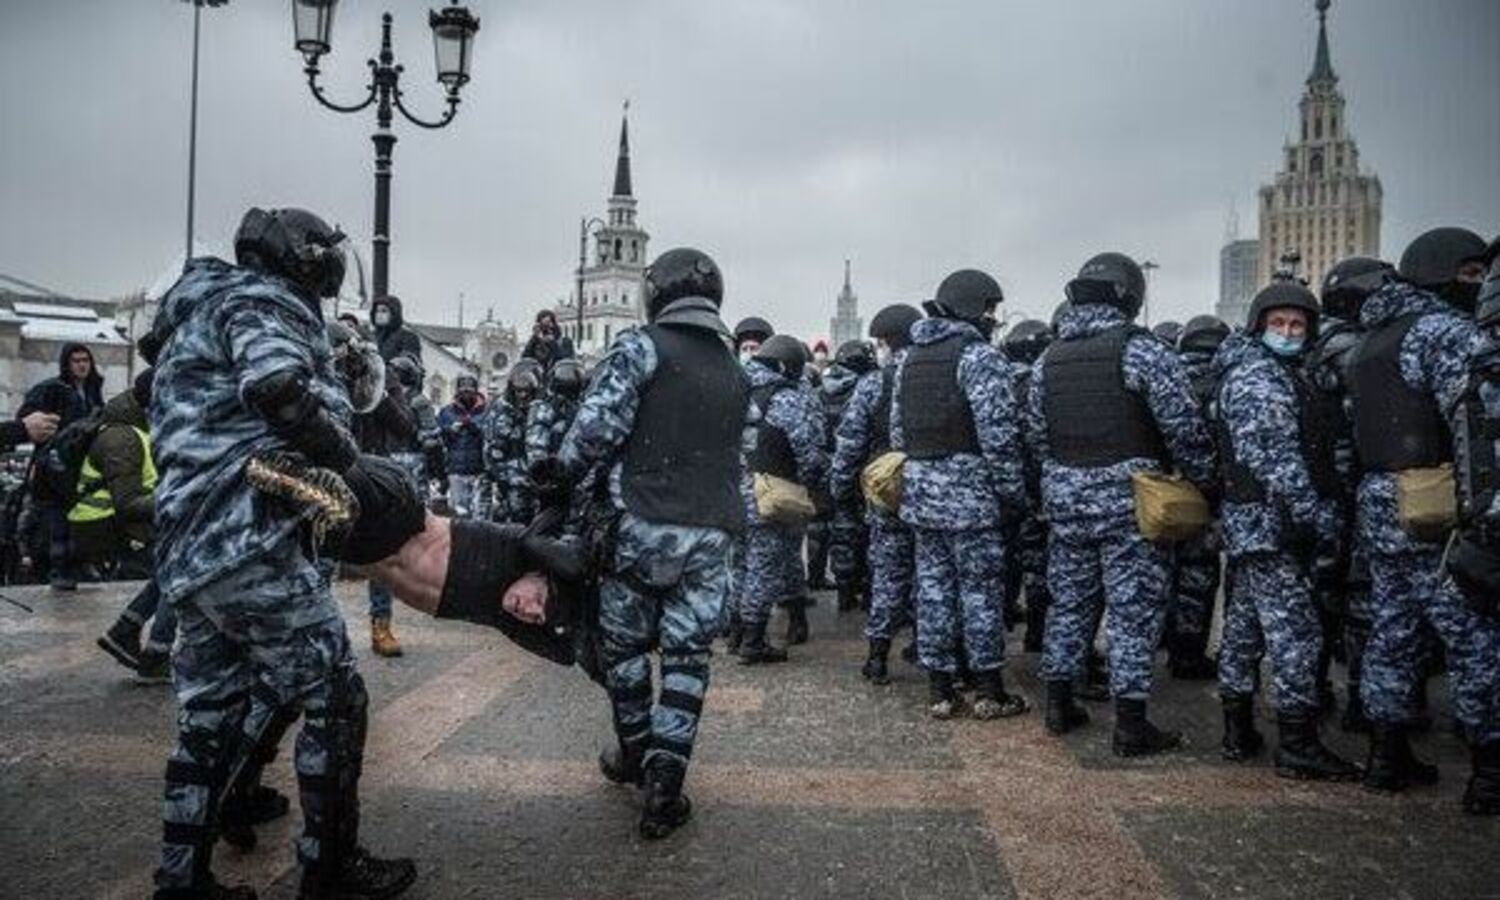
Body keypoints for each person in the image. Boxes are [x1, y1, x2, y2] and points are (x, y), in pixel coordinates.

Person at [144, 206, 413, 898]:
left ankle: (182, 880)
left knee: (207, 718)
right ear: (304, 256)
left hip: (190, 550)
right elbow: (274, 386)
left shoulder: (194, 316)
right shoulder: (262, 301)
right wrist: (347, 461)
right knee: (334, 695)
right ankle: (328, 869)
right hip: (252, 539)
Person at [539, 247, 750, 839]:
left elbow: (596, 430)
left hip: (641, 525)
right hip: (712, 531)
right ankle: (666, 786)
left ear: (656, 293)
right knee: (688, 659)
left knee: (626, 651)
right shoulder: (737, 368)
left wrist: (559, 475)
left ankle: (634, 755)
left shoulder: (641, 346)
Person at [1026, 252, 1217, 754]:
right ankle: (1131, 725)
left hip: (1066, 500)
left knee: (1070, 604)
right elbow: (1183, 427)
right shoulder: (1143, 351)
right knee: (1132, 612)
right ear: (1130, 296)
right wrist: (1201, 484)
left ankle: (1058, 705)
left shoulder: (1049, 359)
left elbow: (1038, 435)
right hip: (1131, 501)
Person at [1348, 226, 1491, 794]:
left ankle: (1387, 754)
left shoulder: (1372, 338)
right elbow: (1476, 420)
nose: (1480, 287)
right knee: (1473, 635)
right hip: (1438, 505)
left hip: (1383, 505)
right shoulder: (1443, 333)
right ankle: (1491, 774)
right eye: (1472, 275)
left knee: (1393, 630)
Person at [1212, 281, 1361, 779]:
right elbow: (1276, 459)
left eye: (1297, 325)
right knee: (1297, 635)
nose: (1289, 332)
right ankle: (1297, 744)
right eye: (1278, 323)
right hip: (1274, 523)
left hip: (1256, 523)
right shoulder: (1260, 378)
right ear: (1260, 326)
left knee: (1244, 627)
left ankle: (1238, 730)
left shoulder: (1269, 371)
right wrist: (1313, 515)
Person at [890, 269, 1028, 720]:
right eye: (990, 310)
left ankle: (940, 690)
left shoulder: (909, 359)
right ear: (972, 307)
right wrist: (1011, 494)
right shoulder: (979, 356)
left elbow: (897, 431)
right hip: (970, 497)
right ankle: (988, 689)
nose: (993, 319)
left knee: (932, 590)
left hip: (922, 494)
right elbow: (999, 436)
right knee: (980, 592)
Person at [1307, 257, 1394, 732]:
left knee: (1319, 594)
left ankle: (1313, 688)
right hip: (1361, 492)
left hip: (1323, 492)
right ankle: (1366, 702)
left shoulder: (1313, 347)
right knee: (1363, 600)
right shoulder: (1363, 348)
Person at [830, 303, 922, 683]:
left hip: (887, 486)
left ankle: (877, 656)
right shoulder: (935, 375)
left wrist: (840, 486)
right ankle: (926, 646)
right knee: (929, 572)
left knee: (888, 571)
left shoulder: (873, 384)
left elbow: (850, 442)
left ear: (885, 342)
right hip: (935, 487)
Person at [1447, 235, 1500, 814]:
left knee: (1477, 662)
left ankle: (1485, 775)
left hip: (1475, 536)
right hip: (1479, 536)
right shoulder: (1458, 362)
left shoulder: (1465, 370)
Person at [735, 334, 829, 662]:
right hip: (773, 493)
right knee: (769, 565)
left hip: (733, 490)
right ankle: (753, 640)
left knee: (741, 563)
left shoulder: (736, 390)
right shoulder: (788, 398)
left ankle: (736, 632)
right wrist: (809, 482)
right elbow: (809, 452)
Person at [83, 369, 176, 682]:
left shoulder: (140, 427)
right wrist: (177, 500)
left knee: (170, 571)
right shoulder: (122, 437)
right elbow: (127, 503)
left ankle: (125, 629)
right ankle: (156, 655)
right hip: (106, 526)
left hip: (127, 524)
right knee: (182, 574)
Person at [1164, 314, 1232, 679]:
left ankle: (1162, 639)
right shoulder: (1225, 383)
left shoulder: (1167, 378)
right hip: (1205, 495)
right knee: (1197, 576)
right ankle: (1187, 654)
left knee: (1160, 572)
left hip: (1159, 492)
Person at [353, 352, 425, 658]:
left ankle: (380, 625)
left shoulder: (381, 373)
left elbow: (405, 425)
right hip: (325, 464)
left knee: (378, 552)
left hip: (369, 468)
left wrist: (377, 395)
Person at [19, 341, 105, 590]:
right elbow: (27, 418)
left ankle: (82, 561)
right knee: (57, 518)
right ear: (67, 364)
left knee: (85, 515)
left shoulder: (93, 390)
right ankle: (59, 568)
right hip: (56, 465)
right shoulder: (52, 389)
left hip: (84, 465)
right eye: (76, 360)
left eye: (85, 360)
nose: (82, 365)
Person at [1000, 319, 1054, 653]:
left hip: (1002, 491)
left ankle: (1003, 616)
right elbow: (1041, 440)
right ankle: (1037, 632)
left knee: (1003, 561)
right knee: (1039, 566)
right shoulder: (1042, 382)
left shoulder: (994, 381)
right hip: (1037, 491)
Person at [822, 340, 878, 611]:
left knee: (841, 532)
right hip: (867, 471)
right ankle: (868, 592)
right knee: (868, 534)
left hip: (833, 468)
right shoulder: (867, 389)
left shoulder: (821, 390)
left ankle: (844, 590)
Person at [484, 362, 541, 525]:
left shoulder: (537, 409)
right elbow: (492, 448)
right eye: (519, 391)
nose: (522, 395)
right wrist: (499, 478)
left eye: (527, 392)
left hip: (531, 476)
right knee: (514, 520)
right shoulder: (502, 410)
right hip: (510, 476)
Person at [438, 374, 488, 519]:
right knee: (459, 514)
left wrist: (473, 426)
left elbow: (492, 435)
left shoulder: (486, 411)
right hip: (456, 470)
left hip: (480, 470)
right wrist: (449, 430)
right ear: (458, 391)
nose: (466, 392)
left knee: (481, 515)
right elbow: (438, 437)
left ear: (476, 391)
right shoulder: (446, 412)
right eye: (463, 389)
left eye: (470, 389)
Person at [369, 295, 422, 364]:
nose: (379, 315)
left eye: (384, 311)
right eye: (377, 311)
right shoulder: (370, 336)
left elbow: (412, 361)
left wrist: (401, 361)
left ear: (394, 313)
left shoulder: (408, 337)